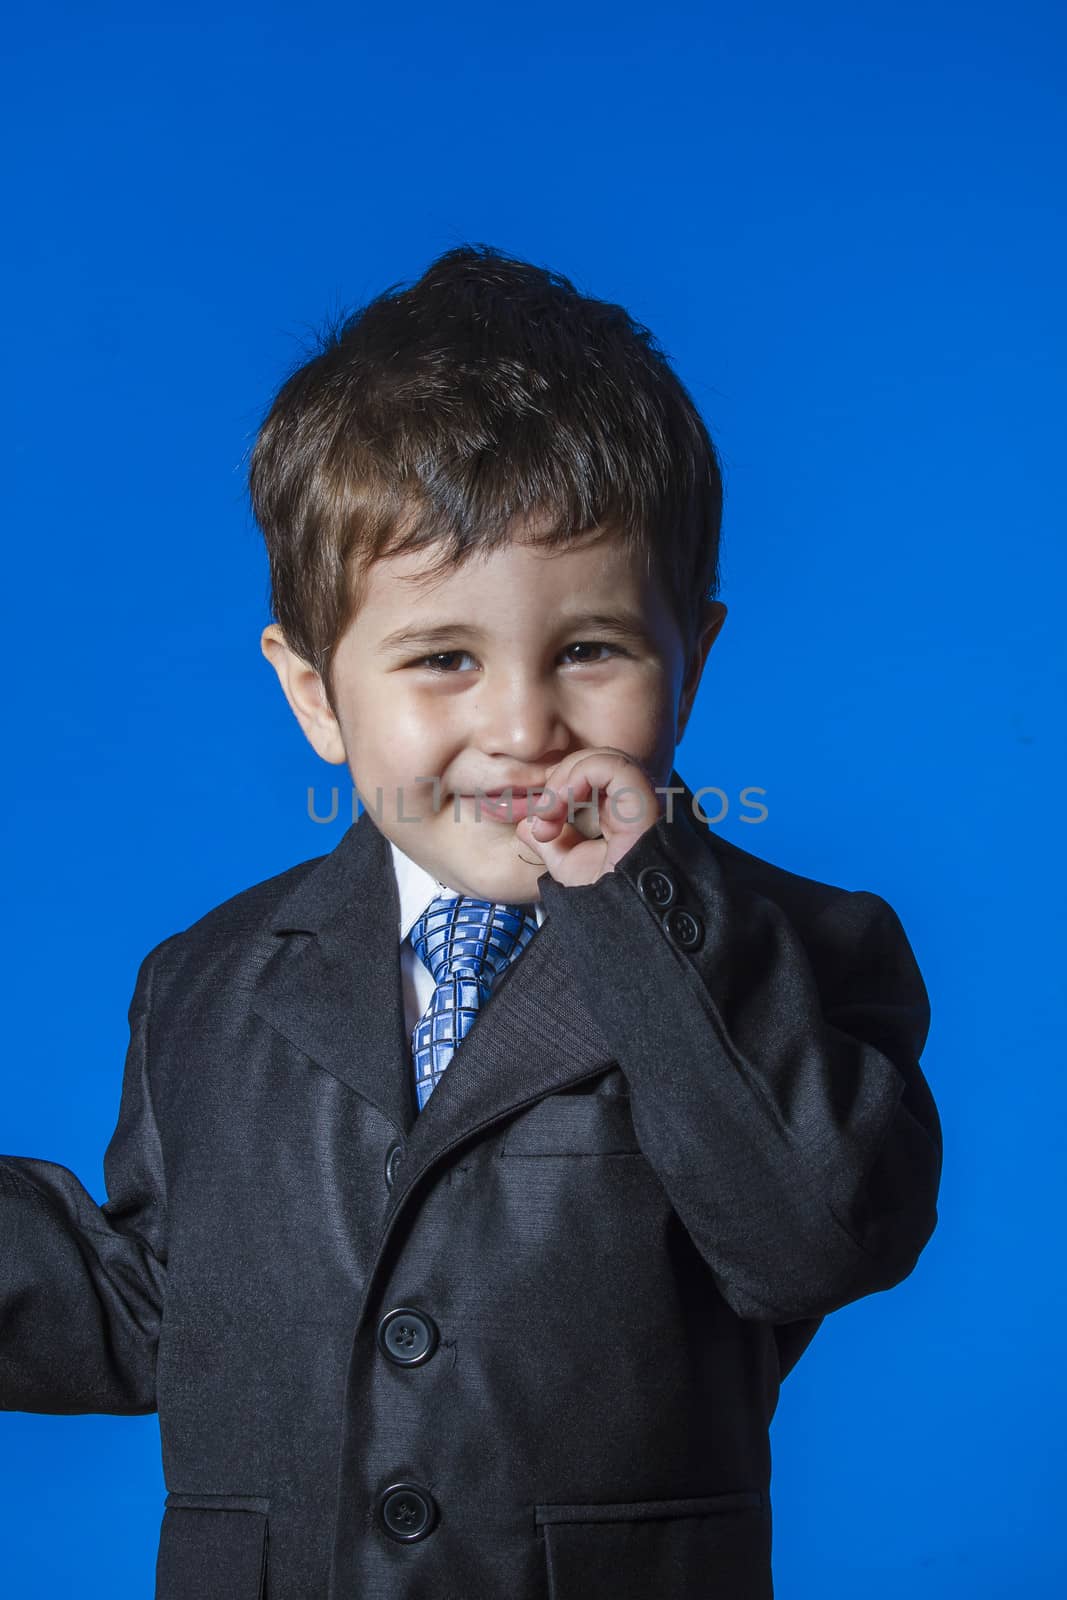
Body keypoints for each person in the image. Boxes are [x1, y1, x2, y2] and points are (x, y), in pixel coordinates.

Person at [0, 243, 942, 1600]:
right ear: (317, 694)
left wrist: (632, 903)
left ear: (695, 661)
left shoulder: (800, 954)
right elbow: (161, 1305)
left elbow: (812, 1236)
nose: (521, 727)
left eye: (591, 650)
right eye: (445, 658)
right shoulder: (204, 982)